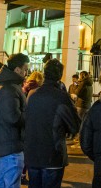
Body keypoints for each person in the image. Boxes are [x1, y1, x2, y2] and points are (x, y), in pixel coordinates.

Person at [24, 59, 80, 188]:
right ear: (60, 75)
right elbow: (74, 125)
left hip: (32, 154)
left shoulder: (32, 95)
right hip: (52, 154)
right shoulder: (62, 97)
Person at [0, 53, 29, 188]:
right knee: (10, 184)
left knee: (1, 183)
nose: (26, 72)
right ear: (17, 70)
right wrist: (29, 114)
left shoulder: (7, 85)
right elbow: (13, 118)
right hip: (10, 147)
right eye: (25, 69)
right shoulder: (9, 88)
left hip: (6, 144)